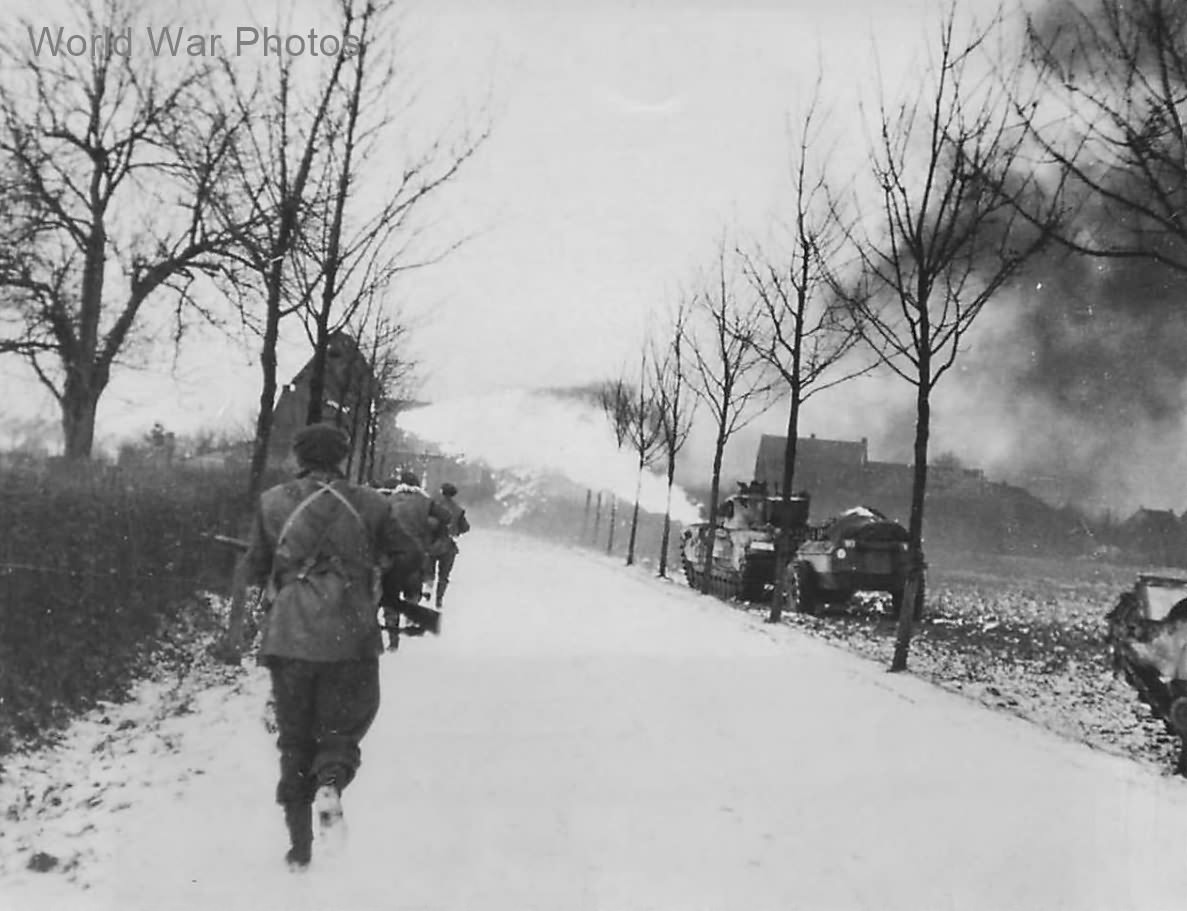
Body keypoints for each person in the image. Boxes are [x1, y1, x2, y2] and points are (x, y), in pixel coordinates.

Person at [238, 422, 417, 871]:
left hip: (289, 635)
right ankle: (331, 783)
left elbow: (255, 565)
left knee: (294, 738)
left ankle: (299, 849)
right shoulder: (371, 503)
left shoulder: (272, 502)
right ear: (342, 455)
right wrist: (382, 583)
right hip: (350, 635)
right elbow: (411, 556)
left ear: (299, 456)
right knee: (342, 726)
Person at [427, 481, 470, 608]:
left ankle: (427, 591)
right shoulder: (458, 509)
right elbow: (465, 527)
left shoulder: (433, 505)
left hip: (431, 544)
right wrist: (456, 530)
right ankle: (439, 599)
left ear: (441, 491)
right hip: (448, 546)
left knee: (429, 571)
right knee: (444, 575)